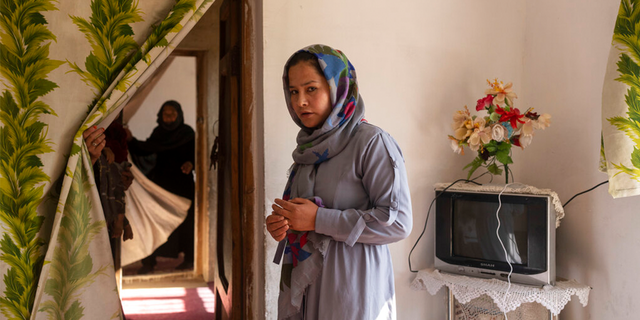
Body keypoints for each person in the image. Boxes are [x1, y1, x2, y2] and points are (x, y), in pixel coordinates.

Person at [266, 45, 413, 320]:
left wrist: (318, 220)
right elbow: (302, 215)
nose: (300, 102)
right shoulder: (307, 151)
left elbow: (399, 223)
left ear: (339, 87)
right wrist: (283, 224)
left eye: (311, 89)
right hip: (307, 284)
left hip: (351, 284)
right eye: (293, 91)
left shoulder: (371, 143)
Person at [126, 100, 195, 274]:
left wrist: (191, 163)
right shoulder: (159, 133)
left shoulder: (187, 133)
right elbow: (146, 149)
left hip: (182, 186)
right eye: (166, 114)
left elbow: (196, 153)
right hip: (161, 186)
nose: (169, 117)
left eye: (173, 114)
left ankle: (189, 260)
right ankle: (149, 262)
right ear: (160, 116)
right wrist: (131, 141)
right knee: (153, 220)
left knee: (187, 224)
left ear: (179, 115)